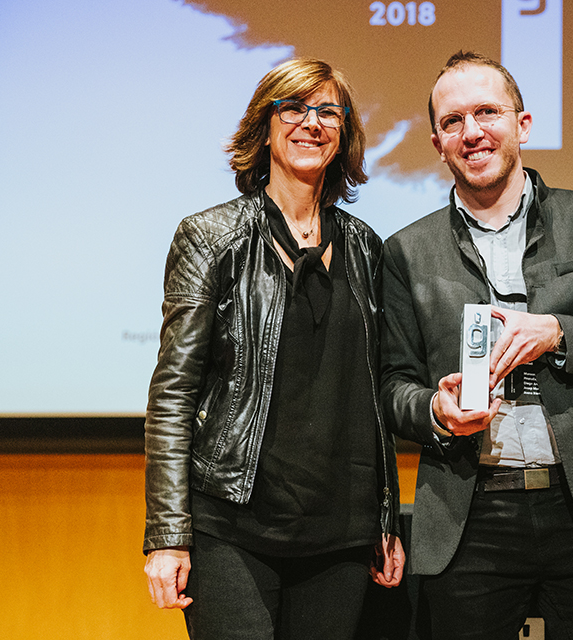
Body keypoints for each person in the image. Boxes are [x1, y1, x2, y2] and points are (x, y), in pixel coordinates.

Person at [380, 51, 573, 640]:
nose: (473, 132)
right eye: (453, 121)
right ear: (438, 142)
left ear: (523, 123)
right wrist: (434, 411)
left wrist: (560, 333)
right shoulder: (405, 252)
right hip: (470, 516)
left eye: (488, 111)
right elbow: (390, 387)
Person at [143, 57, 404, 640]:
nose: (311, 123)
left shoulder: (366, 248)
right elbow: (173, 394)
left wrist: (385, 517)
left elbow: (376, 393)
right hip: (232, 525)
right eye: (293, 108)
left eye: (327, 111)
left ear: (343, 134)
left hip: (340, 532)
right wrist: (167, 535)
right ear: (264, 128)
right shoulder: (210, 237)